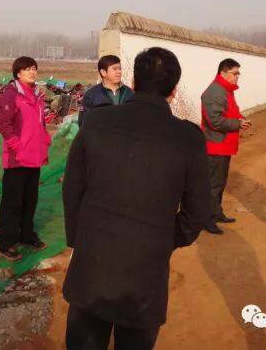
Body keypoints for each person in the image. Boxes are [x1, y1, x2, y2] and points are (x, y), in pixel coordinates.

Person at [63, 47, 210, 350]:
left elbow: (72, 188)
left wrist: (79, 237)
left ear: (133, 81)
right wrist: (166, 239)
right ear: (173, 90)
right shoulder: (188, 138)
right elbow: (198, 211)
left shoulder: (97, 121)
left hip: (92, 265)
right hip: (145, 274)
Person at [0, 56, 51, 261]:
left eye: (34, 68)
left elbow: (41, 122)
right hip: (17, 158)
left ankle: (27, 235)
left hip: (34, 157)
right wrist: (17, 147)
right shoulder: (11, 94)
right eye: (28, 69)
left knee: (30, 200)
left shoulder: (37, 94)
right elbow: (5, 125)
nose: (32, 72)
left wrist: (44, 138)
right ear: (18, 73)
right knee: (12, 203)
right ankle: (6, 243)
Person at [200, 58, 251, 234]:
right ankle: (207, 219)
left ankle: (216, 213)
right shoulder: (215, 92)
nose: (237, 76)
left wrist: (240, 119)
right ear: (223, 73)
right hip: (215, 146)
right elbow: (215, 121)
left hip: (223, 145)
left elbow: (230, 112)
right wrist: (238, 124)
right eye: (234, 73)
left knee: (219, 183)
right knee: (213, 185)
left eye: (238, 73)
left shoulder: (225, 90)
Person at [78, 54, 134, 127]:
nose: (119, 72)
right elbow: (84, 123)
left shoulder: (129, 93)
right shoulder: (91, 95)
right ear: (103, 72)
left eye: (120, 69)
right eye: (115, 69)